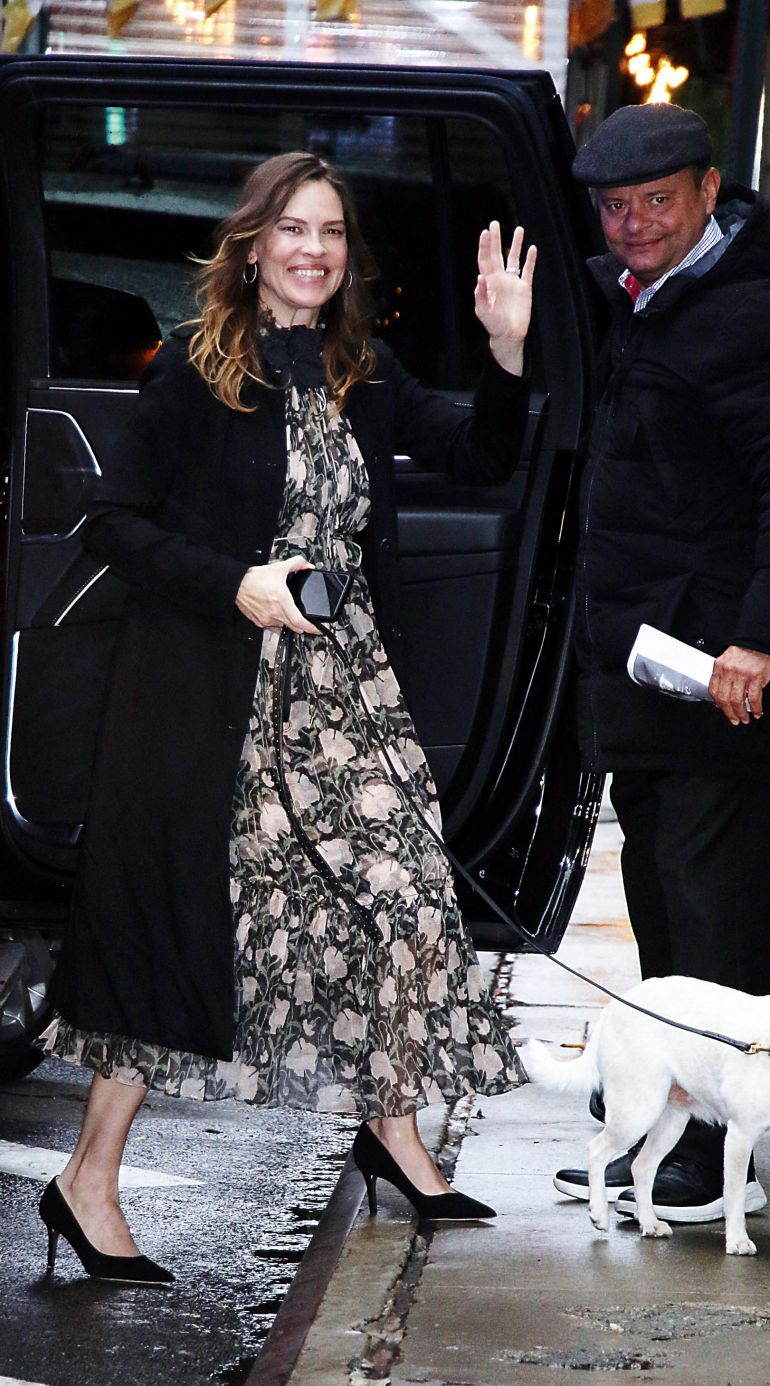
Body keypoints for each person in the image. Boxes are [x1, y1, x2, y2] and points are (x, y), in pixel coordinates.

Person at [38, 152, 536, 1283]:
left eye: (333, 234)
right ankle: (89, 1182)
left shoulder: (358, 368)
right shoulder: (198, 371)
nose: (314, 250)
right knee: (183, 932)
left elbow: (482, 451)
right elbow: (110, 524)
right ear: (253, 244)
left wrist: (506, 350)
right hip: (215, 696)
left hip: (345, 697)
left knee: (409, 899)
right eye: (292, 230)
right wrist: (237, 584)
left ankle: (393, 1125)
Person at [552, 103, 770, 1222]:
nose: (630, 226)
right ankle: (673, 1136)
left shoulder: (754, 314)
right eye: (614, 207)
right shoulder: (638, 301)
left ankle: (715, 1169)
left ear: (708, 191)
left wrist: (758, 637)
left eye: (654, 204)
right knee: (666, 911)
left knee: (709, 917)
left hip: (729, 683)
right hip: (657, 680)